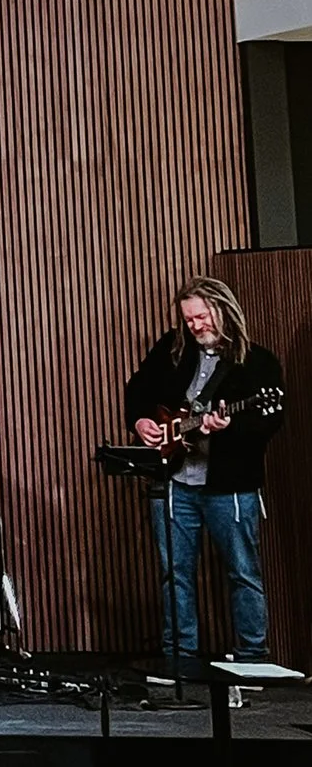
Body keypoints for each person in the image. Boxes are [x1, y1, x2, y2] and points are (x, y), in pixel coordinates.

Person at [124, 275, 287, 671]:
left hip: (229, 484)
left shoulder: (258, 363)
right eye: (189, 319)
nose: (196, 326)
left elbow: (271, 421)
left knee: (242, 571)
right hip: (176, 481)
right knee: (174, 573)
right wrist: (141, 421)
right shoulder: (173, 350)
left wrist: (230, 428)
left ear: (222, 310)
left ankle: (253, 657)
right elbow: (138, 389)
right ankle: (179, 656)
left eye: (201, 317)